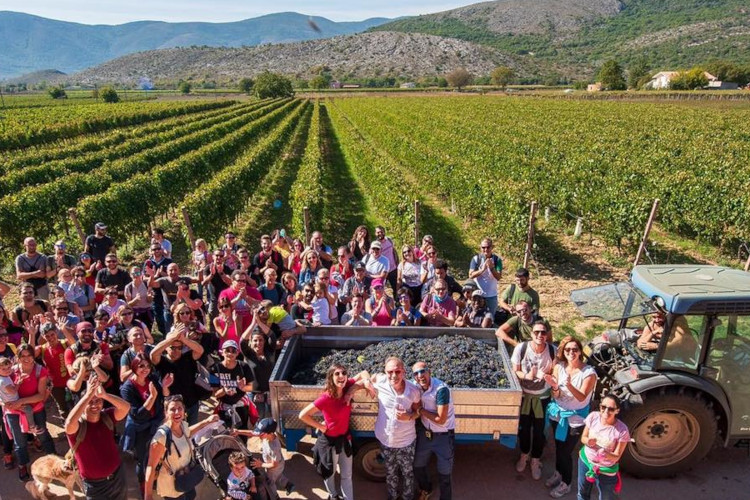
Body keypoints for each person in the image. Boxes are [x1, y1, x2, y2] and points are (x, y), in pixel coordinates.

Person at [299, 364, 370, 500]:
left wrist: (366, 382)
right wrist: (320, 426)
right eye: (337, 374)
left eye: (344, 373)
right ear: (330, 377)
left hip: (345, 439)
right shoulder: (325, 398)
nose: (341, 376)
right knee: (330, 472)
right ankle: (333, 495)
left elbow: (364, 372)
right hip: (329, 443)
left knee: (347, 474)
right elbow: (303, 415)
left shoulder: (347, 386)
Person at [544, 336, 597, 498]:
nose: (571, 352)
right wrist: (554, 387)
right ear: (563, 351)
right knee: (558, 449)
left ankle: (566, 483)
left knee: (566, 452)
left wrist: (568, 384)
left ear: (580, 351)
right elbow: (557, 394)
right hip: (558, 416)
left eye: (575, 349)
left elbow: (581, 397)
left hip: (575, 421)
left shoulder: (589, 373)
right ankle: (558, 473)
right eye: (567, 349)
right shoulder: (559, 367)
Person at [65, 376, 130, 500]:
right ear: (83, 403)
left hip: (118, 478)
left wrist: (104, 395)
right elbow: (68, 423)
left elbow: (126, 407)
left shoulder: (107, 417)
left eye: (98, 401)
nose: (95, 405)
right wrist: (88, 395)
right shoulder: (78, 426)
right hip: (95, 487)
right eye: (90, 402)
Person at [366, 357, 422, 500]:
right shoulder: (381, 381)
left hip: (406, 442)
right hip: (386, 441)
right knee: (390, 472)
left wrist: (408, 417)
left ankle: (407, 497)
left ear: (403, 372)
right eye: (390, 371)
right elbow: (363, 376)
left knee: (407, 472)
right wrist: (355, 388)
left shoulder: (413, 391)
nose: (394, 375)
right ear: (385, 372)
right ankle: (393, 496)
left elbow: (418, 411)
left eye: (397, 371)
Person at [143, 395, 219, 500]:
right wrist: (148, 496)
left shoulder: (182, 425)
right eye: (172, 409)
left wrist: (207, 422)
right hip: (172, 488)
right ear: (166, 412)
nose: (177, 412)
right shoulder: (161, 436)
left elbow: (188, 432)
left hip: (186, 478)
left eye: (180, 408)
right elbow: (150, 466)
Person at [120, 354, 172, 495]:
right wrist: (152, 397)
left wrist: (165, 387)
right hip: (140, 429)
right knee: (142, 458)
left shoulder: (153, 379)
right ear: (134, 367)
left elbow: (163, 397)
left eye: (148, 366)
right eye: (141, 365)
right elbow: (137, 414)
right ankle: (142, 486)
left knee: (156, 454)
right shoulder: (127, 388)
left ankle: (152, 479)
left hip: (156, 423)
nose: (145, 369)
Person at [4, 344, 57, 481]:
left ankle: (54, 459)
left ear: (34, 356)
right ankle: (23, 464)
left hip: (35, 408)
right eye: (23, 356)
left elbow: (40, 395)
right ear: (18, 357)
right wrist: (5, 403)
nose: (27, 358)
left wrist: (20, 402)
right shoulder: (10, 371)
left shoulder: (40, 371)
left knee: (43, 434)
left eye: (29, 355)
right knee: (19, 441)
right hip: (15, 411)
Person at [512, 320, 556, 481]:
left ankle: (535, 460)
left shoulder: (552, 351)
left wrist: (548, 377)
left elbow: (555, 373)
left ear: (547, 335)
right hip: (524, 397)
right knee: (523, 429)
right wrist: (527, 376)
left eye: (543, 332)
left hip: (542, 398)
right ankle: (524, 456)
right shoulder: (521, 348)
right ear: (531, 333)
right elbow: (515, 371)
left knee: (539, 432)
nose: (540, 335)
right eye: (537, 332)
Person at [412, 362, 455, 500]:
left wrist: (420, 411)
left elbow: (441, 419)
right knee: (418, 465)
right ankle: (426, 489)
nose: (420, 376)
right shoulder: (415, 385)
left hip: (443, 436)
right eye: (416, 373)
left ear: (429, 371)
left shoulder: (441, 389)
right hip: (425, 434)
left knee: (445, 473)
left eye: (423, 371)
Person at [577, 395, 629, 500]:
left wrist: (606, 454)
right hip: (586, 461)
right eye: (603, 407)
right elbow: (583, 438)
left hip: (606, 469)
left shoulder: (622, 430)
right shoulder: (593, 417)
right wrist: (588, 441)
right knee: (582, 493)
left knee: (605, 497)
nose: (606, 411)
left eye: (611, 409)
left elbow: (616, 457)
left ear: (617, 411)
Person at [150, 325, 205, 425]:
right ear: (166, 348)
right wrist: (171, 339)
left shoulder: (188, 357)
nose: (176, 350)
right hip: (172, 407)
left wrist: (183, 339)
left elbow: (200, 350)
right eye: (172, 347)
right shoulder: (161, 361)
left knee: (191, 434)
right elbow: (153, 354)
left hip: (191, 403)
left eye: (179, 347)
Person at [211, 340, 255, 429]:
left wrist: (243, 387)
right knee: (225, 436)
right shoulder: (214, 369)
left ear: (237, 353)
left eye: (233, 351)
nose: (230, 353)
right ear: (221, 352)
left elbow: (252, 387)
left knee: (242, 435)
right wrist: (224, 391)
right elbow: (214, 393)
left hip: (241, 406)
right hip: (223, 407)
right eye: (227, 350)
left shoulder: (244, 366)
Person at [250, 418, 295, 497]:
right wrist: (239, 432)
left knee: (270, 482)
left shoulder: (274, 447)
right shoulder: (267, 436)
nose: (259, 435)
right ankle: (289, 485)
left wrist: (261, 464)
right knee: (278, 475)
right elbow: (253, 433)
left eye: (261, 433)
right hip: (279, 464)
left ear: (270, 433)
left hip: (274, 467)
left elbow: (274, 464)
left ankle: (275, 496)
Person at [0, 356, 42, 435]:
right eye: (4, 369)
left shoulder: (4, 377)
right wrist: (18, 383)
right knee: (28, 409)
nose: (7, 370)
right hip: (13, 402)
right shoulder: (3, 381)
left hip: (10, 402)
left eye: (8, 367)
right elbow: (13, 391)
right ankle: (32, 427)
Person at [240, 331, 274, 420]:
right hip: (253, 393)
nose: (258, 343)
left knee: (271, 420)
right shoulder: (248, 354)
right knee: (257, 419)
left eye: (261, 340)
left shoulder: (269, 353)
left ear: (264, 342)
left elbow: (272, 336)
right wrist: (253, 323)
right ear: (251, 342)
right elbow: (242, 341)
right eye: (255, 340)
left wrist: (259, 322)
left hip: (269, 393)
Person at [468, 238, 503, 317]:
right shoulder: (476, 259)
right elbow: (470, 275)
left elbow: (498, 277)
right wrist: (482, 270)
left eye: (488, 247)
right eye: (483, 247)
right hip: (477, 296)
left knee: (490, 319)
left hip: (491, 296)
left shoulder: (497, 260)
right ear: (480, 248)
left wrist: (491, 268)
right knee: (475, 318)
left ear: (492, 247)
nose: (486, 249)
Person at [219, 270, 262, 334]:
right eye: (239, 281)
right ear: (232, 280)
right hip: (232, 329)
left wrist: (246, 297)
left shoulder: (253, 290)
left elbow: (261, 305)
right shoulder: (225, 293)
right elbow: (223, 309)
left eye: (244, 281)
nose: (242, 283)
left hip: (251, 329)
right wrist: (237, 298)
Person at [202, 249, 233, 324]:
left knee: (228, 319)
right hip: (214, 298)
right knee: (213, 319)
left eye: (221, 256)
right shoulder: (208, 268)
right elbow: (204, 283)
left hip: (226, 298)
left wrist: (222, 273)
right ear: (213, 257)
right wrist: (211, 274)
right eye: (217, 255)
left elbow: (230, 283)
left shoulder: (226, 268)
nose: (219, 257)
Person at [125, 265, 154, 330]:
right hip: (134, 314)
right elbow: (128, 304)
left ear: (141, 274)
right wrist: (135, 300)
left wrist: (149, 297)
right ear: (130, 275)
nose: (136, 275)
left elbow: (149, 300)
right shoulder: (128, 287)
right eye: (133, 273)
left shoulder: (146, 284)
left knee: (147, 331)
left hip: (146, 313)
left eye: (138, 273)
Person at [374, 226, 399, 295]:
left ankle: (396, 302)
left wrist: (397, 262)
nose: (380, 233)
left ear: (384, 232)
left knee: (396, 287)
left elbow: (394, 251)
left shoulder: (389, 240)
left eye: (381, 232)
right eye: (378, 232)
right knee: (381, 288)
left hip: (393, 268)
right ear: (375, 233)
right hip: (383, 271)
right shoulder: (375, 245)